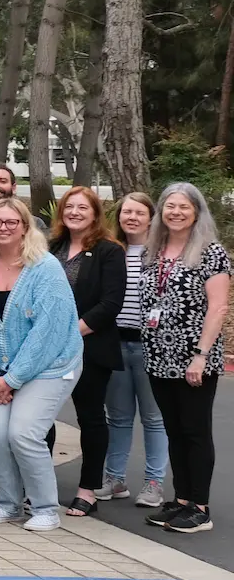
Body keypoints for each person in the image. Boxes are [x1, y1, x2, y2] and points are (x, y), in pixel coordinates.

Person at [0, 195, 81, 532]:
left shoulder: (45, 268)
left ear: (25, 227)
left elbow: (48, 332)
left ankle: (45, 508)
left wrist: (12, 379)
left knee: (24, 434)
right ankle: (9, 504)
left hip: (51, 365)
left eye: (11, 222)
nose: (3, 227)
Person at [140, 183, 229, 535]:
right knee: (173, 430)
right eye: (169, 206)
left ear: (197, 211)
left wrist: (200, 356)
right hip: (158, 355)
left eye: (184, 207)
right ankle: (180, 500)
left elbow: (219, 307)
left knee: (194, 430)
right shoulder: (154, 251)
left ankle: (200, 507)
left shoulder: (211, 252)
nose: (175, 212)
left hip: (194, 357)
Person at [50, 186, 127, 518]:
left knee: (91, 418)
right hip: (46, 350)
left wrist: (69, 334)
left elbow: (110, 304)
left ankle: (88, 490)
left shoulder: (110, 251)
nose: (75, 212)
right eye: (70, 207)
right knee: (42, 418)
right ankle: (40, 487)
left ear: (95, 214)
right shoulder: (51, 248)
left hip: (89, 348)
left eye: (83, 207)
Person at [101, 191, 166, 507]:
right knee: (118, 417)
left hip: (149, 346)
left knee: (154, 418)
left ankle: (154, 483)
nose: (132, 218)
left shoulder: (161, 253)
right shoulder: (113, 251)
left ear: (151, 217)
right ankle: (114, 479)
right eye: (127, 212)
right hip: (115, 342)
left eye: (139, 212)